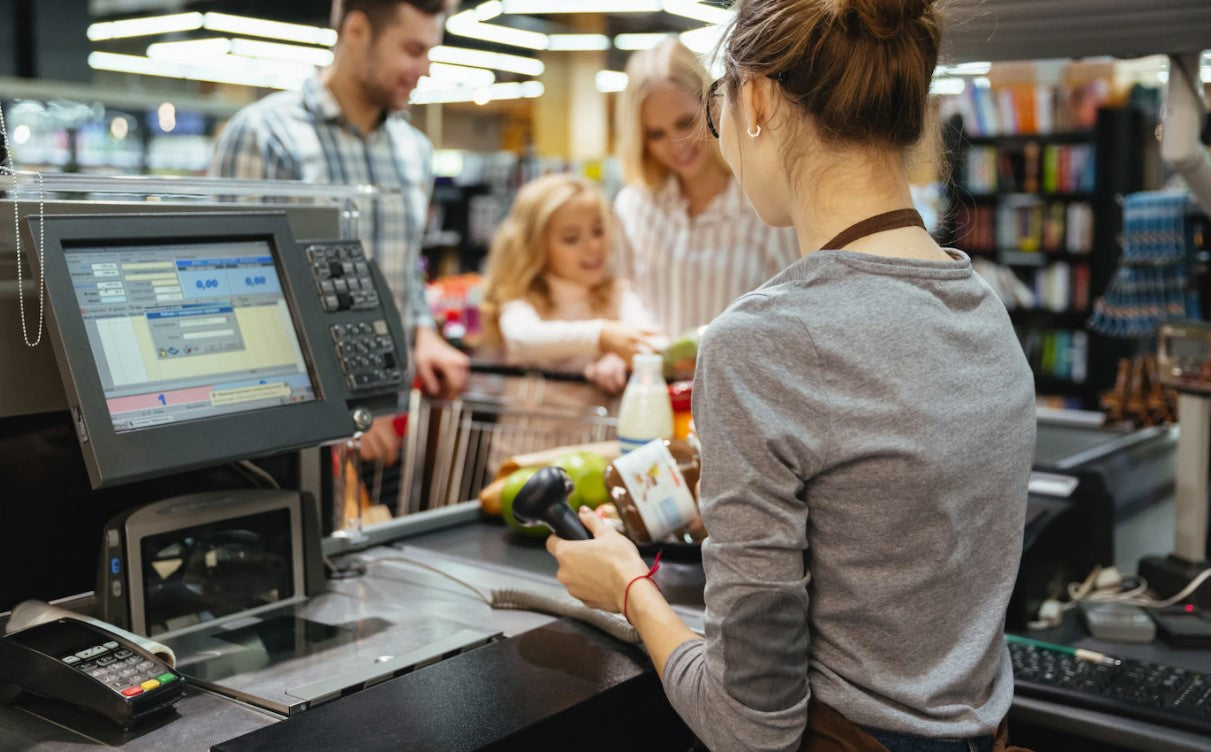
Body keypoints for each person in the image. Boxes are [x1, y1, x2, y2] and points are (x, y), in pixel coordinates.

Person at [546, 2, 1037, 752]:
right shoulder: (983, 307)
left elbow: (750, 726)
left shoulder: (759, 342)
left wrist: (627, 588)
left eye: (716, 103)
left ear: (759, 99)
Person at [209, 0, 469, 464]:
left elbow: (402, 265)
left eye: (431, 51)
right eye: (412, 49)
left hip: (389, 422)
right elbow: (232, 294)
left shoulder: (414, 150)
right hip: (292, 429)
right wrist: (342, 409)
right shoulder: (265, 136)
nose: (425, 69)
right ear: (356, 31)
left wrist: (422, 331)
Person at [613, 38, 799, 340]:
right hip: (656, 384)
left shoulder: (766, 203)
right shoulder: (632, 207)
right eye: (656, 134)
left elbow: (796, 304)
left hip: (742, 383)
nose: (677, 145)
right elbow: (620, 290)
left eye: (685, 122)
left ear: (713, 104)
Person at [481, 173, 661, 401]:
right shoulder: (521, 297)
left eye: (598, 231)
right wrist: (602, 336)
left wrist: (619, 357)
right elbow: (521, 338)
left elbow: (654, 341)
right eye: (571, 238)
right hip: (526, 434)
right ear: (536, 246)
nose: (593, 245)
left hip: (599, 435)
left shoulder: (616, 294)